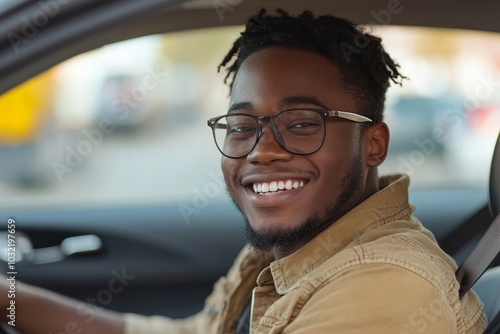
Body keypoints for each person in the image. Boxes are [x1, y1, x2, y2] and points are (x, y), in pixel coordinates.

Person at [0, 9, 487, 334]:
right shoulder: (294, 248)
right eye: (241, 125)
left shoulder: (387, 286)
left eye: (301, 124)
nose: (261, 150)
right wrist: (10, 299)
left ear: (374, 143)